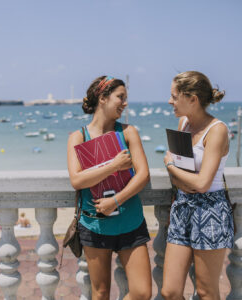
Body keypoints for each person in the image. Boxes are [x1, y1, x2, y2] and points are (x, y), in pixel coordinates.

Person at [67, 75, 152, 300]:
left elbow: (143, 175)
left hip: (130, 221)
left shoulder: (128, 132)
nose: (124, 103)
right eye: (120, 97)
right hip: (95, 224)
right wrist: (114, 165)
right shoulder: (78, 137)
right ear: (103, 98)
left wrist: (115, 200)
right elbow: (77, 180)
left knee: (142, 292)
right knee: (101, 292)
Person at [162, 71, 234, 300]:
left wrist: (170, 165)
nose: (170, 101)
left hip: (210, 210)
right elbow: (180, 179)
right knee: (170, 291)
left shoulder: (218, 130)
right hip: (182, 206)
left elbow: (202, 183)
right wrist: (179, 176)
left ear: (192, 98)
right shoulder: (183, 123)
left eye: (174, 96)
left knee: (206, 291)